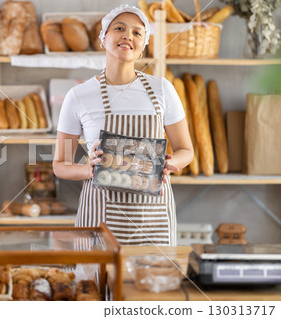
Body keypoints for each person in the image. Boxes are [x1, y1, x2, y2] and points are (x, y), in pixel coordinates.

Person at [52, 4, 193, 246]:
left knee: (146, 284)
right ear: (103, 38)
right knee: (97, 284)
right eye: (119, 28)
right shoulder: (79, 95)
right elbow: (60, 165)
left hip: (152, 220)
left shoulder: (163, 90)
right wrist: (87, 169)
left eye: (138, 33)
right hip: (99, 219)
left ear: (142, 48)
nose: (128, 35)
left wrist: (170, 164)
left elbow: (185, 150)